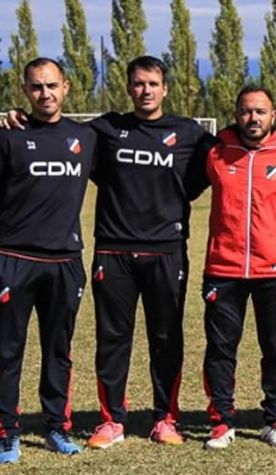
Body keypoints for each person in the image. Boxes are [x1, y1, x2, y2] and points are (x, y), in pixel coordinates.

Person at [0, 56, 276, 450]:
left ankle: (164, 418)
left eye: (153, 84)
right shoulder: (103, 131)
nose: (145, 91)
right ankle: (112, 420)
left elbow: (237, 142)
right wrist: (15, 116)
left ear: (164, 88)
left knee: (166, 339)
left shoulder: (190, 134)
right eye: (138, 84)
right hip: (114, 251)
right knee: (112, 340)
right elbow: (54, 130)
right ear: (129, 87)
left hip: (166, 252)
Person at [195, 85, 276, 450]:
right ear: (236, 114)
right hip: (224, 267)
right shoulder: (215, 151)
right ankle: (221, 421)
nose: (253, 118)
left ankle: (274, 420)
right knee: (220, 349)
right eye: (246, 111)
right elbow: (177, 188)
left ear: (273, 116)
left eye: (261, 111)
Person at [0, 58, 97, 463]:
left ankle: (57, 426)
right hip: (13, 258)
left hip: (65, 261)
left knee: (59, 349)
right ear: (25, 90)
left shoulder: (86, 137)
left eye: (52, 85)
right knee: (7, 351)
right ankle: (7, 432)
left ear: (66, 87)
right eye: (37, 87)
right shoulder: (8, 136)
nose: (45, 94)